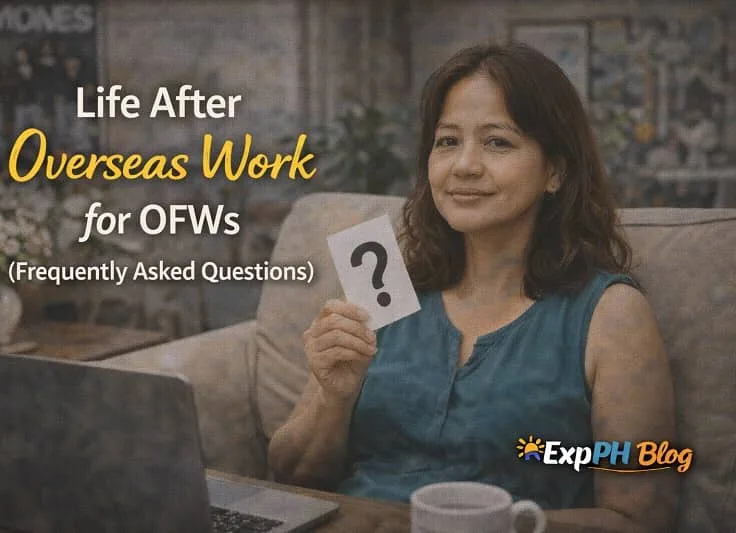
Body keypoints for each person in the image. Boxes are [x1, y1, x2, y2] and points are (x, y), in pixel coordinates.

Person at [268, 43, 677, 532]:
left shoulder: (612, 314)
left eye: (497, 142)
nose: (463, 165)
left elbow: (639, 516)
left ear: (555, 171)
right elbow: (291, 475)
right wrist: (332, 397)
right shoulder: (383, 286)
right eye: (446, 142)